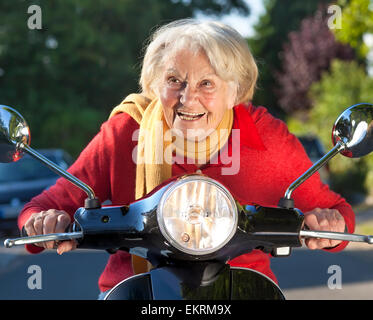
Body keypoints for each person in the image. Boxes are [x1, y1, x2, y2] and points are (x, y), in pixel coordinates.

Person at [18, 19, 354, 298]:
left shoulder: (267, 137)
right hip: (136, 293)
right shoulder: (125, 131)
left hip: (242, 293)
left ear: (234, 91)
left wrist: (329, 225)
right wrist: (44, 221)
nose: (187, 97)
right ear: (153, 84)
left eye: (206, 83)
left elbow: (337, 213)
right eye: (174, 80)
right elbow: (44, 205)